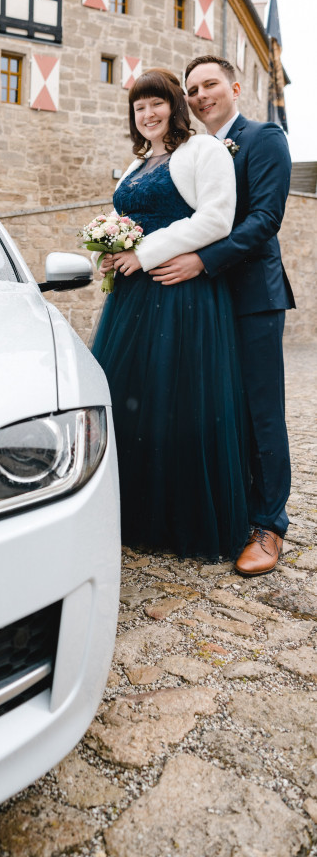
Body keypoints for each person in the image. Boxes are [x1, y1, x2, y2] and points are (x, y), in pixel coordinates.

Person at [92, 68, 249, 562]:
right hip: (132, 300)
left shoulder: (203, 150)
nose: (148, 114)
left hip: (180, 292)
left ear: (175, 106)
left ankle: (181, 518)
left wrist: (146, 253)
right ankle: (131, 511)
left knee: (178, 400)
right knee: (134, 400)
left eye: (156, 103)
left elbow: (217, 217)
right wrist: (110, 245)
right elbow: (128, 221)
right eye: (139, 108)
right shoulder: (138, 163)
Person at [149, 55, 294, 577]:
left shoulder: (264, 138)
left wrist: (202, 260)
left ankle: (269, 525)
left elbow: (264, 220)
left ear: (234, 87)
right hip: (201, 300)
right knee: (216, 408)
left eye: (210, 84)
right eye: (191, 89)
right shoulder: (188, 150)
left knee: (260, 412)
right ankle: (229, 507)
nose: (200, 94)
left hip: (252, 295)